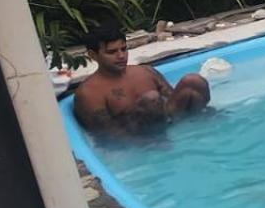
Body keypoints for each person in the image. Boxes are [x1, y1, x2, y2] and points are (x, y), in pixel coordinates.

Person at [72, 21, 210, 134]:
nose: (121, 56)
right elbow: (108, 135)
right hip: (140, 138)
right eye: (112, 52)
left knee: (193, 81)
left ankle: (202, 129)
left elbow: (172, 99)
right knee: (151, 99)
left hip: (169, 124)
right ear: (93, 55)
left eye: (124, 49)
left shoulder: (145, 71)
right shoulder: (89, 93)